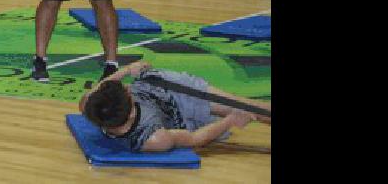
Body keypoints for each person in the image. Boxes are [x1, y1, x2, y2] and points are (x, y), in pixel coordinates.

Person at [78, 61, 270, 152]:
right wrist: (230, 121)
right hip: (180, 108)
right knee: (245, 109)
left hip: (160, 83)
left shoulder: (92, 106)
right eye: (128, 93)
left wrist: (127, 70)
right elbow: (195, 139)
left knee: (246, 105)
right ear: (128, 115)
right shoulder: (153, 138)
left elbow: (100, 89)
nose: (128, 88)